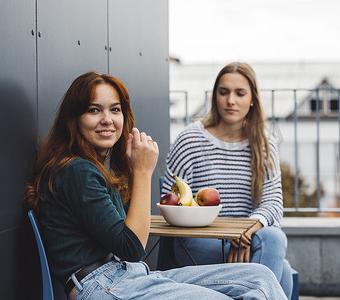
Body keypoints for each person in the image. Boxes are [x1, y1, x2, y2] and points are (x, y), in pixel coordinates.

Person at [23, 71, 287, 300]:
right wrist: (143, 171)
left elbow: (124, 240)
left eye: (115, 110)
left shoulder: (94, 168)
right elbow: (133, 248)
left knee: (260, 278)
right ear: (74, 120)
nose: (107, 119)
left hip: (127, 275)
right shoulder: (77, 171)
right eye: (94, 110)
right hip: (102, 285)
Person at [159, 62, 294, 298]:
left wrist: (243, 232)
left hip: (248, 241)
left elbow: (273, 203)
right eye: (224, 92)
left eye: (240, 93)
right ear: (215, 96)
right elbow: (170, 203)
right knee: (280, 270)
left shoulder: (264, 144)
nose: (231, 100)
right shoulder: (190, 139)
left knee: (274, 237)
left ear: (252, 98)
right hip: (198, 242)